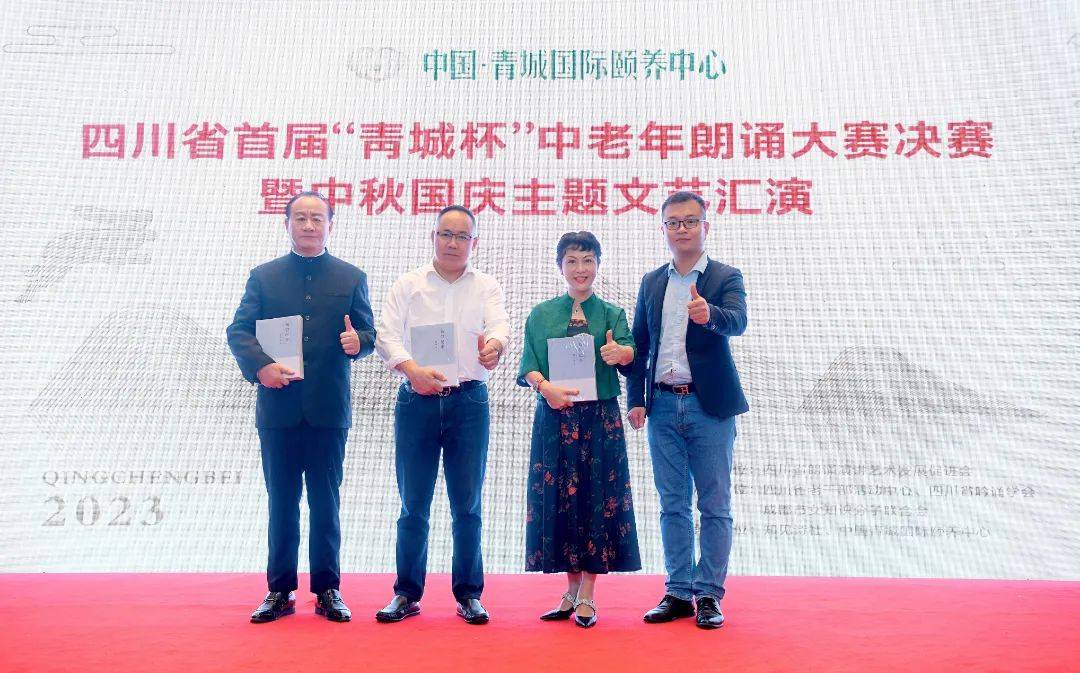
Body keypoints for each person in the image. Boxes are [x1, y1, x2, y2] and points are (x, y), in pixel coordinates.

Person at [227, 191, 376, 623]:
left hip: (328, 410)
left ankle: (328, 589)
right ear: (287, 224)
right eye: (300, 218)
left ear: (331, 225)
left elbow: (369, 333)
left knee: (326, 503)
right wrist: (261, 367)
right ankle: (279, 590)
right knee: (282, 501)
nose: (309, 225)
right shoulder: (264, 277)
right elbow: (239, 331)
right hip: (279, 409)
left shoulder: (351, 277)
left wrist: (359, 342)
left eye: (317, 218)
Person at [373, 205, 509, 625]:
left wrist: (496, 347)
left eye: (461, 236)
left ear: (474, 242)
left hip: (469, 402)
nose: (452, 243)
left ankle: (469, 594)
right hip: (417, 402)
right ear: (432, 237)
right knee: (413, 504)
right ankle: (406, 592)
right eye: (445, 234)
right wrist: (411, 369)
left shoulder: (486, 285)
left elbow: (500, 326)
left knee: (467, 505)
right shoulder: (408, 284)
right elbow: (386, 335)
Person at [626, 190, 748, 630]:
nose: (682, 229)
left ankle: (709, 594)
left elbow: (738, 321)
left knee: (714, 504)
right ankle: (678, 591)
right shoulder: (652, 282)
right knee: (672, 503)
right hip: (661, 406)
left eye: (690, 221)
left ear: (705, 227)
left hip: (708, 406)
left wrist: (708, 314)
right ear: (664, 229)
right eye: (673, 222)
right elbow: (640, 345)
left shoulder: (726, 276)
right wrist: (637, 399)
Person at [518, 231, 642, 629]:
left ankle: (588, 591)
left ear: (598, 264)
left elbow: (631, 354)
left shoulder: (612, 314)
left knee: (596, 499)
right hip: (555, 417)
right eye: (572, 260)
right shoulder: (541, 314)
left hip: (599, 420)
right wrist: (545, 387)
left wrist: (621, 352)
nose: (580, 269)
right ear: (560, 266)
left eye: (588, 260)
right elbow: (529, 366)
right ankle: (569, 590)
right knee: (561, 500)